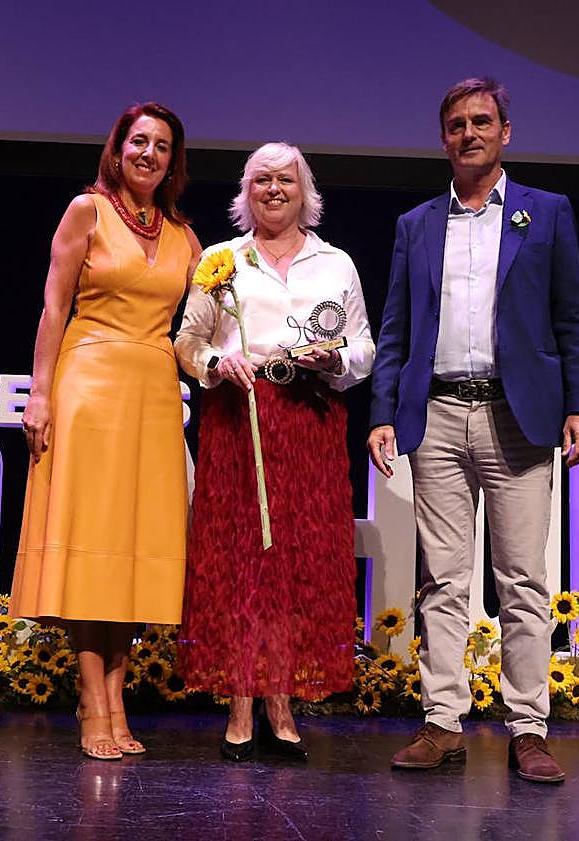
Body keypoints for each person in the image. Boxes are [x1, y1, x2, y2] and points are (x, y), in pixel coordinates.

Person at [367, 78, 579, 783]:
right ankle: (443, 723)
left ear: (506, 131)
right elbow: (396, 328)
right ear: (443, 139)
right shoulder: (416, 224)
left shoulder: (547, 213)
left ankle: (527, 727)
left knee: (523, 581)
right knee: (443, 580)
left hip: (518, 417)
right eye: (456, 124)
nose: (469, 133)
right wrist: (382, 411)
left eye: (481, 121)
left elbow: (574, 318)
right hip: (436, 414)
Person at [10, 102, 201, 760]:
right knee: (91, 548)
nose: (149, 153)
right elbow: (53, 304)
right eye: (138, 141)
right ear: (116, 150)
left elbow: (201, 324)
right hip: (88, 386)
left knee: (132, 554)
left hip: (151, 393)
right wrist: (38, 393)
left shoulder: (183, 234)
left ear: (175, 160)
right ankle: (93, 700)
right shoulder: (85, 210)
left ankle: (118, 703)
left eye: (162, 146)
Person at [175, 142, 375, 761]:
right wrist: (216, 359)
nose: (273, 189)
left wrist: (337, 358)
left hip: (310, 419)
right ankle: (240, 702)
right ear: (246, 191)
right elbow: (186, 341)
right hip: (241, 419)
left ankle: (282, 702)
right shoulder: (218, 261)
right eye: (261, 180)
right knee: (241, 560)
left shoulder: (335, 264)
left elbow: (365, 346)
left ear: (304, 189)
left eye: (285, 179)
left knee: (295, 563)